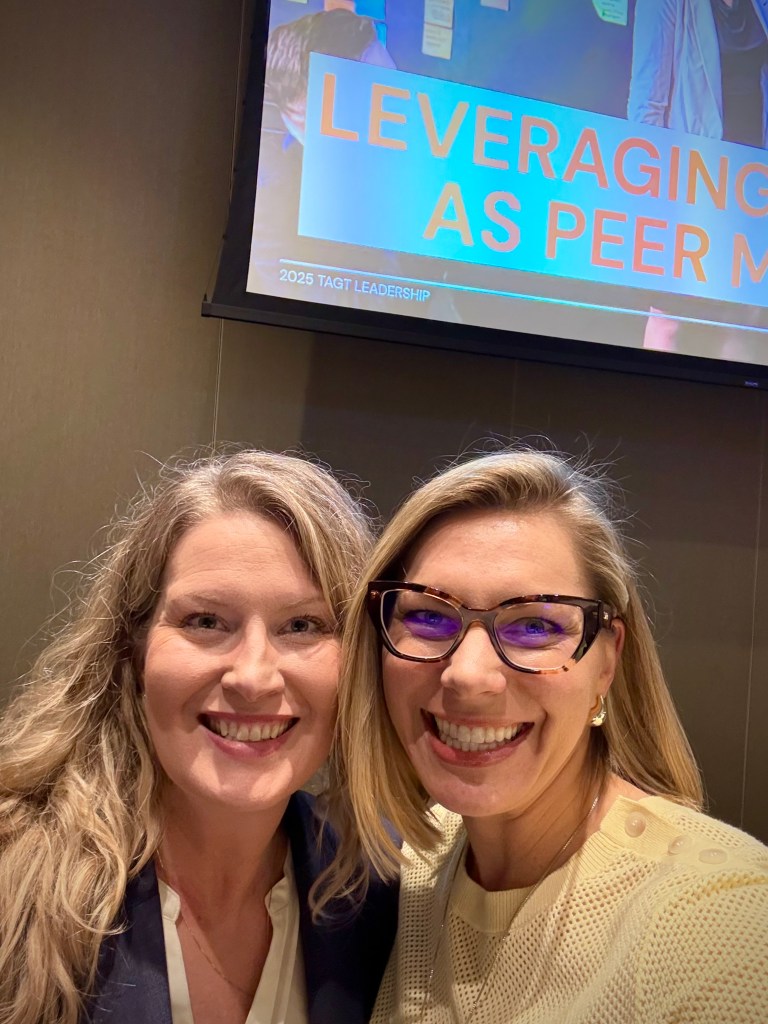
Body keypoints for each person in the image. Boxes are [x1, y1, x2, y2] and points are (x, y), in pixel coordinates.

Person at [321, 448, 768, 1023]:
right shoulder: (416, 863)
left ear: (606, 665)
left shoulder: (722, 921)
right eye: (429, 616)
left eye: (535, 625)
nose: (468, 675)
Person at [0, 449, 397, 1024]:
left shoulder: (384, 892)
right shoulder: (14, 879)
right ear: (132, 651)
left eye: (303, 625)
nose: (253, 677)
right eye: (206, 621)